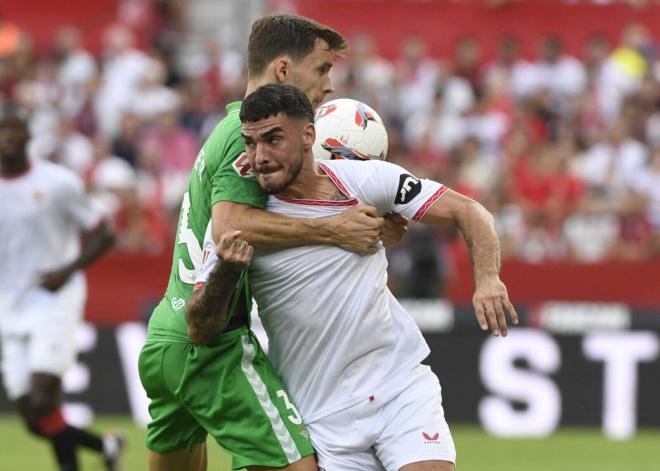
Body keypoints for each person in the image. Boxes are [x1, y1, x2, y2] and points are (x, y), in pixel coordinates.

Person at [194, 83, 519, 471]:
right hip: (320, 412)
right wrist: (226, 274)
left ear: (309, 135)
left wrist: (488, 280)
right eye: (250, 143)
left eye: (273, 139)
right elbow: (199, 327)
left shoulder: (363, 181)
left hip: (399, 387)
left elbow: (470, 212)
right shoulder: (239, 223)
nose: (260, 156)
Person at [138, 13, 405, 471]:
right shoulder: (249, 142)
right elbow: (230, 226)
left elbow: (277, 221)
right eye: (322, 69)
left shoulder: (229, 130)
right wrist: (334, 228)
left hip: (168, 336)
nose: (329, 85)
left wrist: (366, 224)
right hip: (208, 342)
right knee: (300, 465)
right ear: (284, 70)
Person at [0, 106, 120, 471]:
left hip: (55, 298)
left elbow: (105, 232)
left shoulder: (57, 183)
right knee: (33, 419)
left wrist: (68, 270)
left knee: (41, 397)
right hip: (11, 305)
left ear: (28, 136)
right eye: (1, 130)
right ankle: (106, 446)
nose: (7, 137)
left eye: (14, 129)